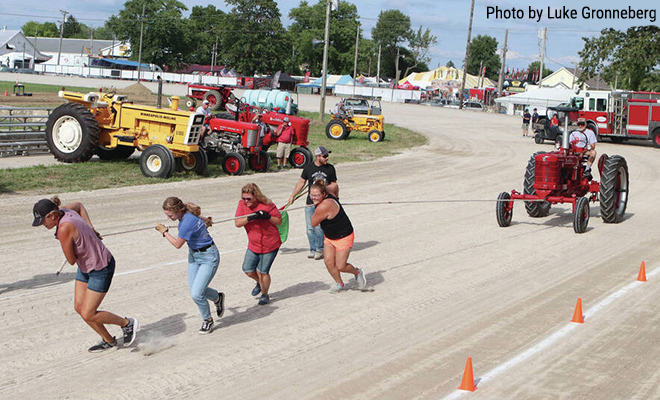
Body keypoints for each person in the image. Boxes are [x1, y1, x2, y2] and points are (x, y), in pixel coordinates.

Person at [32, 196, 138, 353]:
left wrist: (68, 241)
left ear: (52, 216)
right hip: (86, 266)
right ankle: (109, 340)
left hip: (101, 267)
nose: (42, 225)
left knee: (89, 313)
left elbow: (71, 260)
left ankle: (126, 323)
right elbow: (79, 205)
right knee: (79, 307)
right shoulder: (65, 210)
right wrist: (91, 228)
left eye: (43, 221)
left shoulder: (63, 229)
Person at [157, 197, 224, 334]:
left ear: (178, 210)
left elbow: (177, 244)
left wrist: (164, 232)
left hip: (208, 256)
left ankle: (207, 320)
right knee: (196, 290)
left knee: (196, 294)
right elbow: (202, 220)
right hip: (194, 255)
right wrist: (206, 221)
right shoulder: (188, 214)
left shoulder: (187, 221)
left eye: (170, 215)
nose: (169, 218)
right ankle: (217, 297)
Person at [309, 180, 366, 293]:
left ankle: (358, 272)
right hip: (330, 236)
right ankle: (339, 283)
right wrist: (337, 198)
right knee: (328, 262)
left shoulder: (324, 206)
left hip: (343, 235)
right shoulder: (328, 191)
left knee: (341, 266)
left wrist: (318, 206)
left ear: (324, 194)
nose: (313, 198)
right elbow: (334, 186)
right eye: (311, 195)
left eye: (316, 195)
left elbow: (313, 223)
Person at [235, 184, 282, 306]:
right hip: (254, 244)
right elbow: (237, 222)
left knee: (263, 271)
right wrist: (250, 218)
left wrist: (267, 216)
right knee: (248, 269)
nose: (246, 201)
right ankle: (260, 283)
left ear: (256, 196)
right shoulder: (242, 205)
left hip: (270, 244)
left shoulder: (267, 205)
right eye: (244, 198)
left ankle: (265, 294)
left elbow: (279, 220)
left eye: (249, 199)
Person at [288, 146, 338, 260]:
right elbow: (301, 182)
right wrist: (292, 196)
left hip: (323, 203)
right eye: (324, 156)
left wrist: (335, 197)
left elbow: (334, 185)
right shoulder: (308, 167)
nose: (327, 158)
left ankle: (320, 249)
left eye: (327, 155)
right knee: (310, 228)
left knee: (319, 227)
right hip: (311, 202)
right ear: (317, 156)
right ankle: (313, 249)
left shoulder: (330, 168)